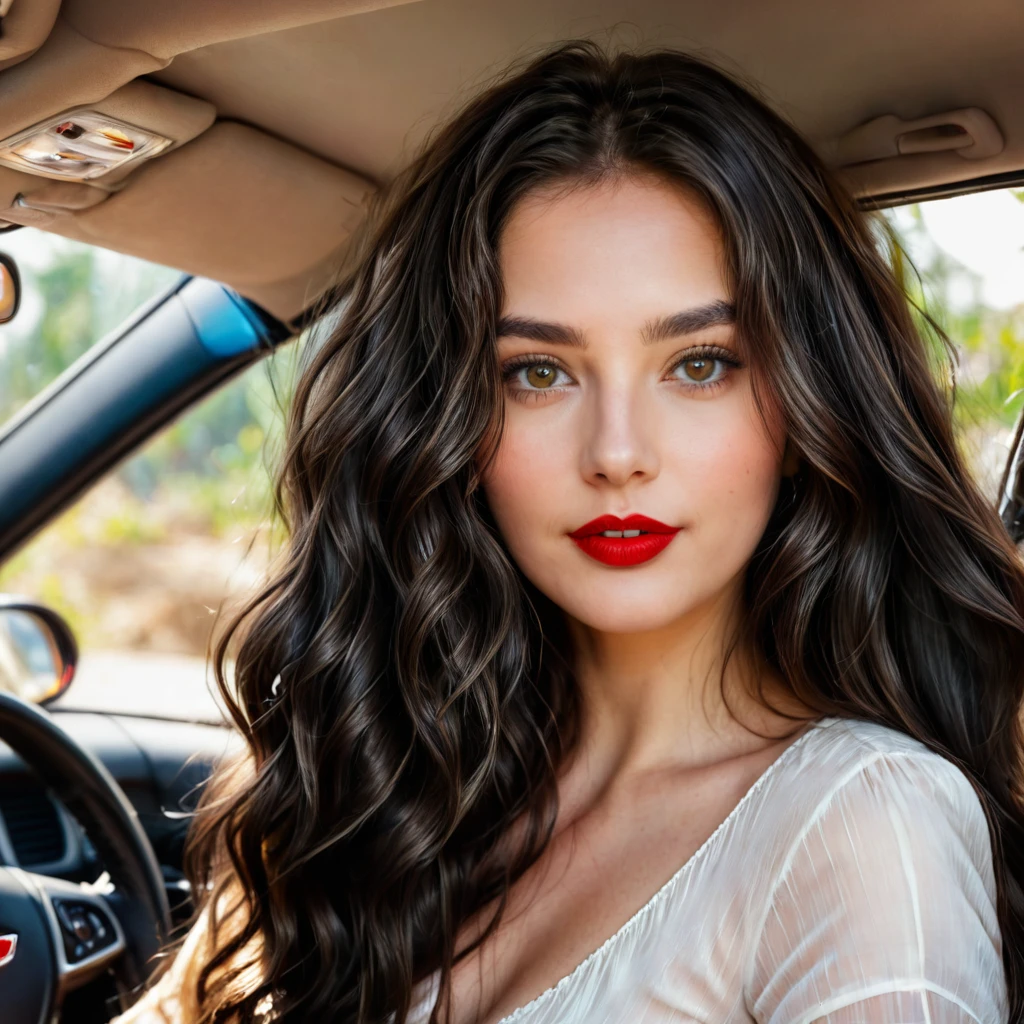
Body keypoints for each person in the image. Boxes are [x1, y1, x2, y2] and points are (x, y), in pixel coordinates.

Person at [114, 40, 1024, 1024]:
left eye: (700, 362)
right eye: (538, 373)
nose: (618, 452)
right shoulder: (416, 793)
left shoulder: (861, 821)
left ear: (804, 411)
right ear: (455, 425)